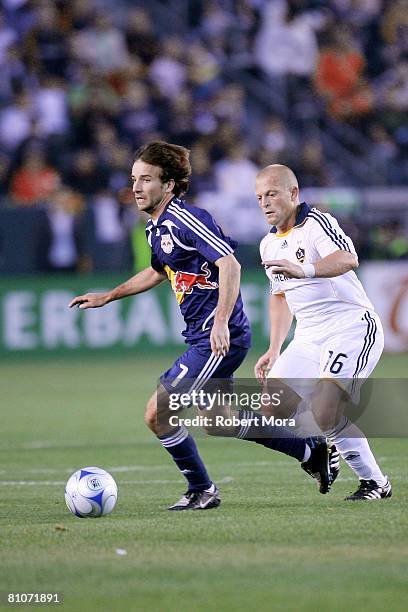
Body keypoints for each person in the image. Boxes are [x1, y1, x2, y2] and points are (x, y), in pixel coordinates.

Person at [69, 142, 333, 511]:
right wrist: (109, 296)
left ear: (170, 185)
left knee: (157, 413)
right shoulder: (156, 228)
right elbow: (159, 271)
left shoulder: (186, 218)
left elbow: (230, 264)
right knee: (219, 419)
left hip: (216, 337)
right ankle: (309, 450)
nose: (137, 187)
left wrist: (221, 322)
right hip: (205, 335)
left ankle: (202, 489)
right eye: (134, 179)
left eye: (147, 179)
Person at [254, 164, 392, 501]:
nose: (265, 203)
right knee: (272, 407)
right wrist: (274, 348)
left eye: (272, 194)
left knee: (326, 408)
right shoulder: (268, 245)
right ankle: (318, 449)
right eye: (259, 197)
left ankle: (375, 483)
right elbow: (280, 297)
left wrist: (305, 269)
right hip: (308, 336)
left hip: (351, 326)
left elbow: (348, 258)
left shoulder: (316, 222)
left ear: (293, 193)